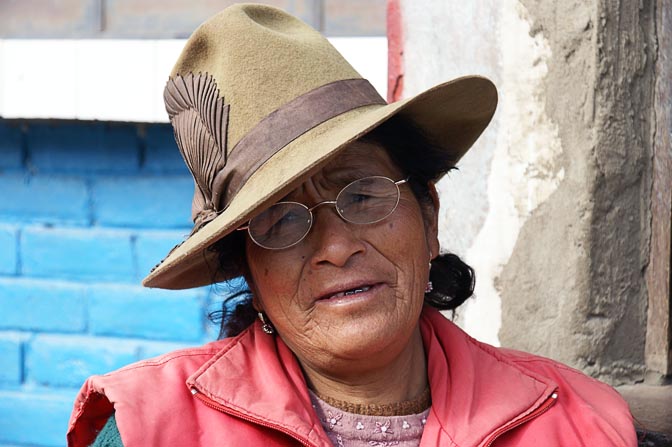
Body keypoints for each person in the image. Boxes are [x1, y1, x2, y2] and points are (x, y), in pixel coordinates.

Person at [67, 4, 636, 446]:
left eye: (363, 195)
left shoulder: (578, 420)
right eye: (281, 221)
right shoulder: (150, 431)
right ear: (249, 270)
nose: (337, 247)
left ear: (428, 216)